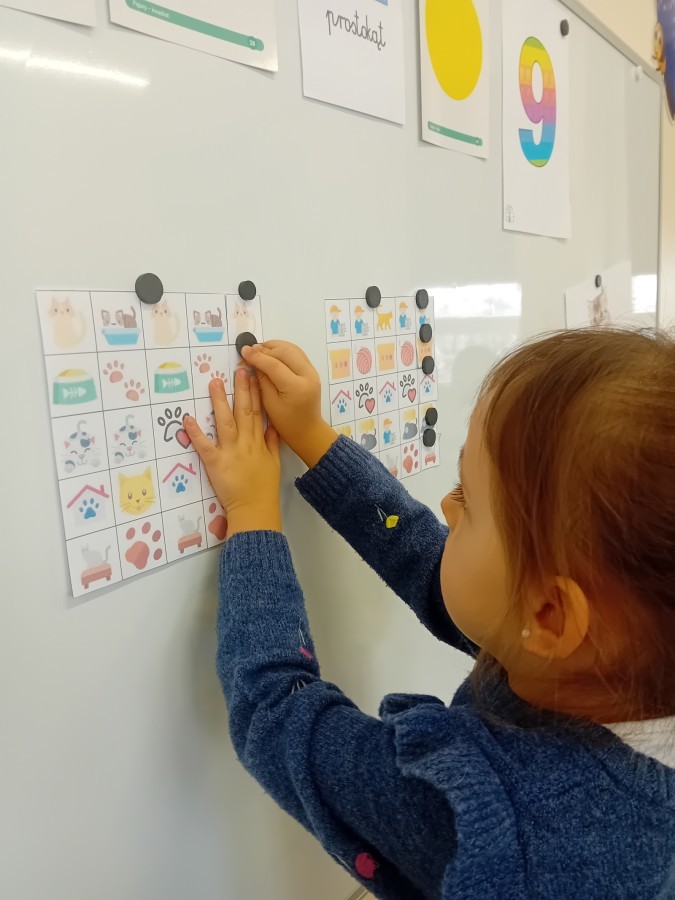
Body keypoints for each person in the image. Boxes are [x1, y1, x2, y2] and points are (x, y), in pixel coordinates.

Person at [183, 329, 675, 899]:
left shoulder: (481, 818)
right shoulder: (608, 667)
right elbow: (428, 563)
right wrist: (313, 437)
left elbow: (277, 715)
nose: (446, 503)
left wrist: (251, 512)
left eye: (466, 498)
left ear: (550, 617)